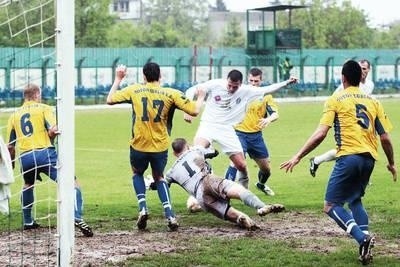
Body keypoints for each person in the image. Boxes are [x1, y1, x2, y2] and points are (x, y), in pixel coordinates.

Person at [280, 60, 397, 265]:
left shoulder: (335, 99)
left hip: (349, 158)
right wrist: (392, 163)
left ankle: (363, 238)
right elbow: (385, 138)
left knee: (331, 205)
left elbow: (320, 134)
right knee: (355, 200)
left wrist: (298, 156)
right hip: (369, 160)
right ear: (360, 77)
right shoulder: (373, 101)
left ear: (342, 77)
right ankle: (365, 248)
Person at [106, 62, 205, 231]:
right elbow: (194, 110)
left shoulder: (134, 90)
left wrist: (118, 78)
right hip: (160, 147)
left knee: (137, 173)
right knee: (159, 177)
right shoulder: (171, 93)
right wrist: (201, 96)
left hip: (138, 145)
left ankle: (143, 208)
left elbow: (110, 100)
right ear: (160, 77)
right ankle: (170, 214)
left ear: (144, 77)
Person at [184, 69, 297, 190]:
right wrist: (188, 108)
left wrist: (287, 82)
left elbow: (268, 89)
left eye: (235, 87)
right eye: (229, 85)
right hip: (209, 125)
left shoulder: (247, 91)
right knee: (197, 154)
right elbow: (191, 90)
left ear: (241, 84)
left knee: (242, 165)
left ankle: (244, 192)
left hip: (228, 130)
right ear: (226, 80)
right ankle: (202, 190)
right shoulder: (215, 84)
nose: (231, 89)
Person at [6, 83, 93, 237]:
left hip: (26, 157)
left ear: (24, 97)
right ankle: (77, 216)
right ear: (37, 95)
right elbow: (53, 129)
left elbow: (10, 147)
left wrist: (11, 164)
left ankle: (28, 222)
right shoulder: (44, 108)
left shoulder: (14, 115)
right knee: (71, 183)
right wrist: (51, 137)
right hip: (45, 153)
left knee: (28, 184)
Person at [164, 138, 285, 230]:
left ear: (174, 153)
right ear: (188, 146)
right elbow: (214, 152)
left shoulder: (171, 171)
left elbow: (161, 184)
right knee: (239, 191)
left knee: (227, 212)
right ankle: (261, 206)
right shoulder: (195, 151)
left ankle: (240, 218)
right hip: (209, 180)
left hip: (200, 196)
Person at [309, 59, 375, 177]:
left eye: (364, 68)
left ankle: (317, 160)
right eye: (360, 68)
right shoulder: (343, 87)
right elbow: (333, 102)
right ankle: (318, 161)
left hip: (360, 121)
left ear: (369, 70)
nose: (362, 71)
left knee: (354, 149)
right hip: (346, 120)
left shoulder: (370, 84)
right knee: (349, 149)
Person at [225, 68, 279, 196]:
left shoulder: (265, 95)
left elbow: (275, 113)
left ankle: (261, 184)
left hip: (256, 137)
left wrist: (268, 119)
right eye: (251, 80)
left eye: (256, 81)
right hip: (239, 134)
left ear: (261, 80)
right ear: (247, 80)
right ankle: (223, 191)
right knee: (235, 162)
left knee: (266, 169)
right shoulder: (239, 92)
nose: (253, 83)